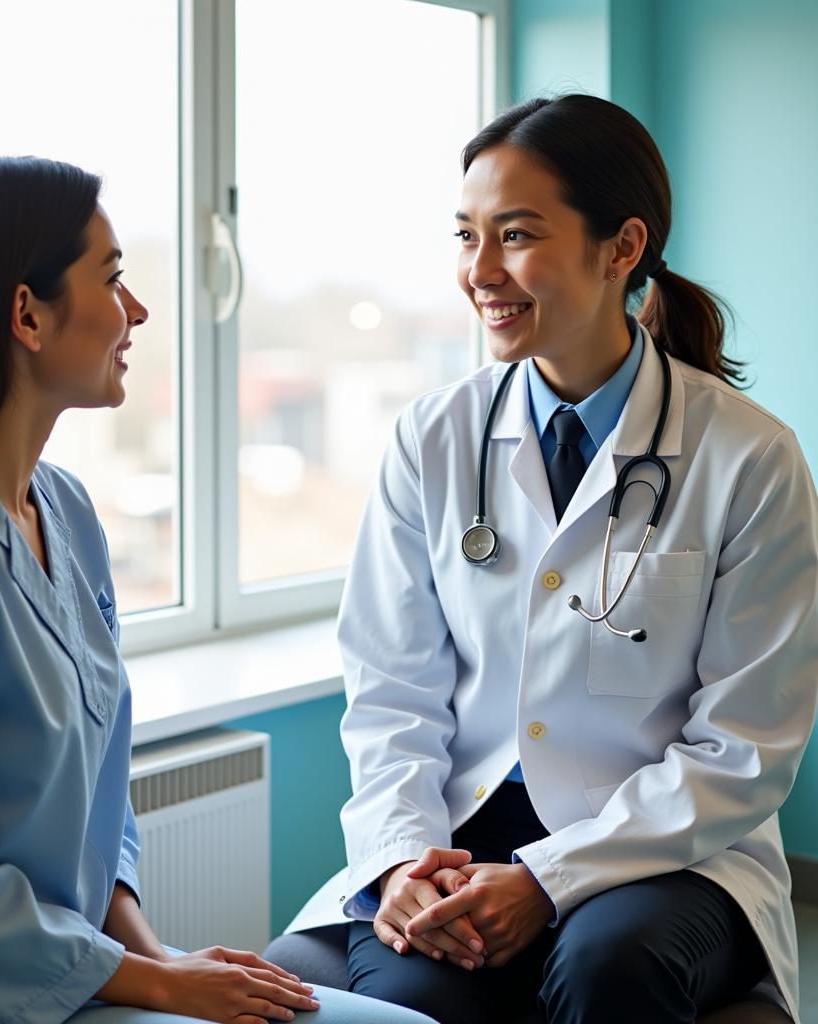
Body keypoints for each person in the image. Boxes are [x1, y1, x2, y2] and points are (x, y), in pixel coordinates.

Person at [0, 153, 436, 1024]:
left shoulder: (61, 508)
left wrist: (156, 954)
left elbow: (96, 810)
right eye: (114, 279)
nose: (135, 311)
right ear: (26, 312)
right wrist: (165, 986)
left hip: (68, 975)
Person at [277, 95, 818, 1024]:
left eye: (516, 235)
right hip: (461, 830)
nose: (479, 271)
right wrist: (403, 858)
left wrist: (548, 878)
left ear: (622, 248)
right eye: (465, 236)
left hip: (670, 845)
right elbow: (392, 695)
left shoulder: (748, 457)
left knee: (609, 967)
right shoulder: (431, 438)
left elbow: (743, 748)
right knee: (412, 1000)